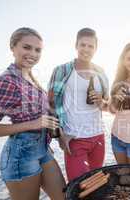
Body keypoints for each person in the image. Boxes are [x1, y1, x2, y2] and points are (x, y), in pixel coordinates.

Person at [0, 27, 66, 200]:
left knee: (64, 196)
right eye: (27, 47)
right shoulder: (6, 80)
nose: (33, 53)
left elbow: (46, 114)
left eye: (38, 50)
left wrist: (60, 135)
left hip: (43, 149)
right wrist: (33, 124)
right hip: (20, 156)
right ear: (13, 47)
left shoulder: (31, 78)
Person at [48, 28, 109, 181]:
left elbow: (107, 105)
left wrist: (102, 101)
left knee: (95, 185)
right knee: (78, 186)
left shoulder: (101, 72)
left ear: (96, 48)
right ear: (76, 45)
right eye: (83, 45)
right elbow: (50, 105)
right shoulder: (62, 71)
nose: (86, 49)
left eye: (90, 46)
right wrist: (60, 135)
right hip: (74, 138)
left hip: (98, 137)